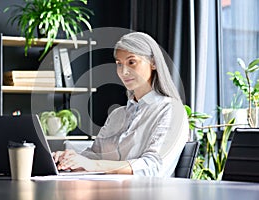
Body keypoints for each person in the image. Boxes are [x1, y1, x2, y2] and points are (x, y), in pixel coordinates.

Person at [53, 32, 189, 177]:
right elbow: (96, 156)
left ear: (153, 63)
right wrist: (70, 160)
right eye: (119, 64)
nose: (124, 72)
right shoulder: (117, 115)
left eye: (131, 62)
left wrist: (93, 164)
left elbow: (153, 167)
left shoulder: (171, 110)